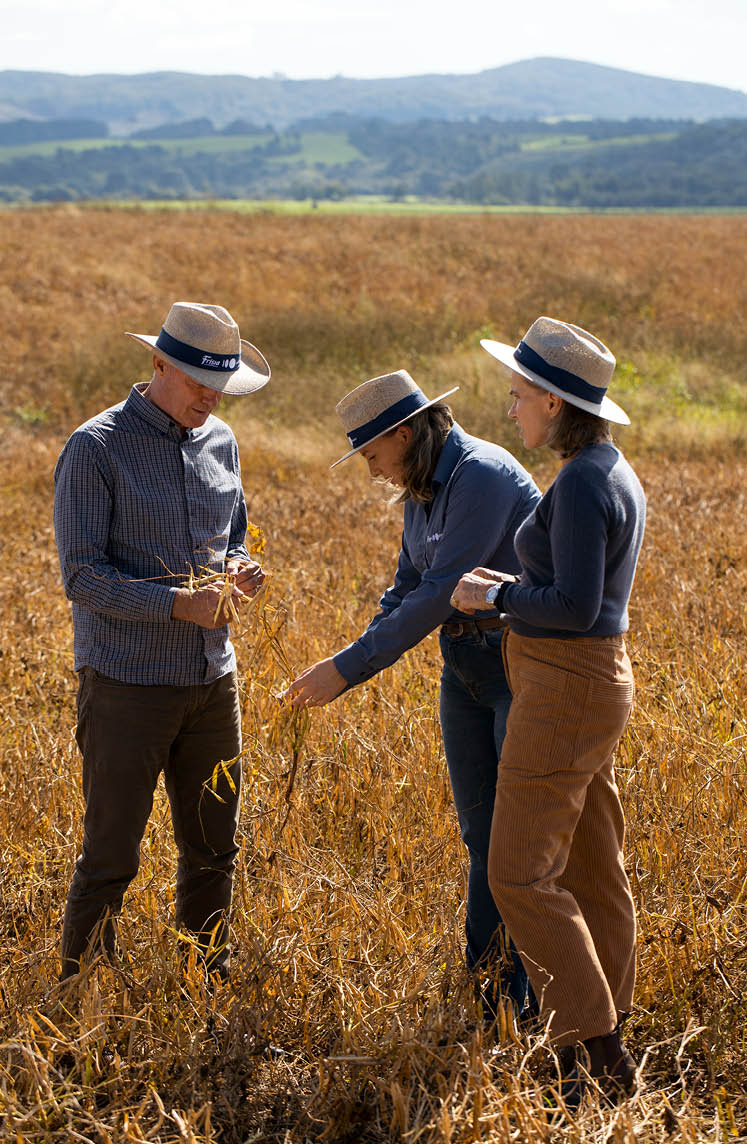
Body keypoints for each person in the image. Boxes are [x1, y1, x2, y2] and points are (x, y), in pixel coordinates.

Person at [285, 369, 541, 1017]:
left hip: (519, 663)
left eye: (371, 454)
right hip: (464, 666)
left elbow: (436, 594)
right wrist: (354, 648)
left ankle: (535, 997)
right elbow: (406, 585)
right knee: (482, 837)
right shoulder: (421, 486)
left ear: (402, 433)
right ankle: (491, 994)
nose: (371, 470)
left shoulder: (482, 475)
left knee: (518, 844)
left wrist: (345, 669)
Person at [451, 316, 645, 1101]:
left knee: (517, 873)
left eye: (518, 395)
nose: (511, 411)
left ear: (554, 404)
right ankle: (610, 1025)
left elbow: (570, 604)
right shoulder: (609, 469)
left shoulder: (584, 483)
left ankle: (592, 1053)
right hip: (587, 681)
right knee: (592, 863)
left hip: (564, 682)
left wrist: (494, 597)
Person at [53, 301, 270, 981]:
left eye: (220, 389)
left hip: (213, 682)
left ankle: (206, 980)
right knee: (111, 854)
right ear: (157, 365)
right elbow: (82, 576)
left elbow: (231, 532)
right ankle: (79, 998)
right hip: (126, 685)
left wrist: (239, 569)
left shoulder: (222, 442)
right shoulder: (95, 447)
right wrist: (178, 605)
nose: (210, 400)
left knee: (214, 847)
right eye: (198, 385)